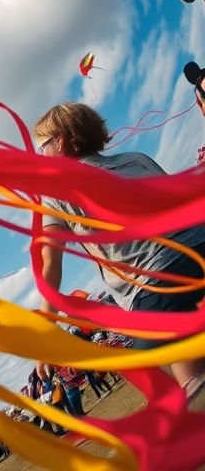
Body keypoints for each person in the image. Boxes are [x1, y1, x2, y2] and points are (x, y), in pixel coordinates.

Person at [33, 102, 205, 397]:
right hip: (199, 246)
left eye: (43, 147)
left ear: (60, 143)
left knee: (195, 386)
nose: (41, 157)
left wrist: (47, 331)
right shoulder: (137, 158)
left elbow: (50, 260)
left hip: (156, 283)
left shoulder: (56, 189)